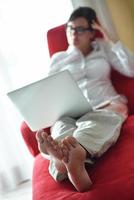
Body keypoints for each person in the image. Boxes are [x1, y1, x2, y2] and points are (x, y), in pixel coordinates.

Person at [36, 7, 134, 192]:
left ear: (91, 32)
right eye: (70, 28)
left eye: (80, 29)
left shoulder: (103, 50)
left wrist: (109, 37)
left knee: (102, 119)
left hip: (105, 104)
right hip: (69, 110)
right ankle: (62, 160)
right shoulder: (59, 59)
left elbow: (131, 69)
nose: (74, 33)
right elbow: (48, 90)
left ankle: (72, 155)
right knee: (61, 125)